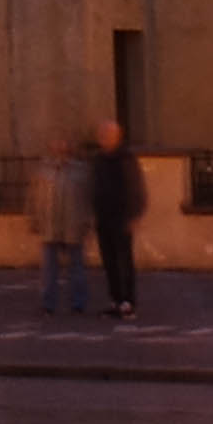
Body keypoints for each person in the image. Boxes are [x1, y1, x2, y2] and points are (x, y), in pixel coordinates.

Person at [88, 115, 147, 322]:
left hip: (121, 218)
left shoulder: (126, 159)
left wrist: (134, 215)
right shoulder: (98, 160)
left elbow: (136, 189)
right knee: (109, 262)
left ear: (117, 137)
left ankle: (127, 302)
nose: (103, 137)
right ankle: (115, 300)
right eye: (102, 134)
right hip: (103, 218)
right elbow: (94, 188)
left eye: (108, 134)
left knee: (124, 261)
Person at [31, 140, 91, 320]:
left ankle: (78, 304)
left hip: (74, 224)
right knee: (49, 269)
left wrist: (87, 221)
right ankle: (47, 305)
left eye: (64, 145)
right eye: (57, 145)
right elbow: (36, 197)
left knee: (77, 267)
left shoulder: (81, 171)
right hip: (50, 224)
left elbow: (88, 198)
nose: (60, 149)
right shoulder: (44, 170)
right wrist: (35, 219)